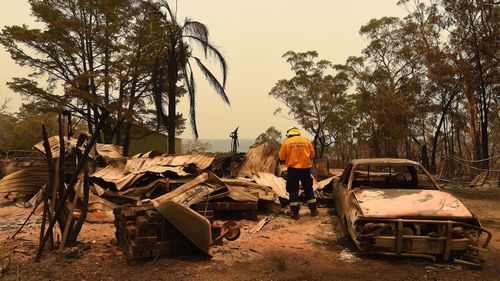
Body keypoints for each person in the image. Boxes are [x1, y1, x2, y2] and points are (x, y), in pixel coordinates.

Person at [279, 126, 318, 219]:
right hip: (305, 170)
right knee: (308, 189)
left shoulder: (287, 142)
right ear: (298, 133)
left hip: (293, 170)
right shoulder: (306, 141)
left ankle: (295, 213)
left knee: (293, 191)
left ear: (289, 134)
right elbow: (312, 154)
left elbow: (281, 157)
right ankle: (313, 210)